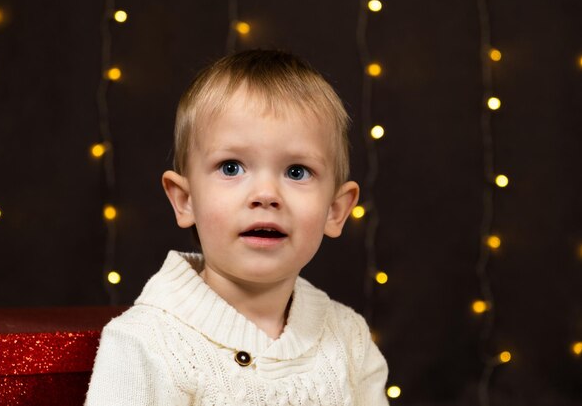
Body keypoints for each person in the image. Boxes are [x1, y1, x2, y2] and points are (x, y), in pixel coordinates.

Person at [85, 49, 389, 405]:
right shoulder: (145, 344)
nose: (265, 195)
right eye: (231, 167)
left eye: (296, 172)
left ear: (335, 210)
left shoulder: (348, 338)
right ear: (185, 200)